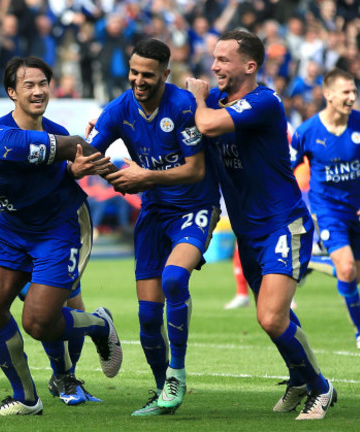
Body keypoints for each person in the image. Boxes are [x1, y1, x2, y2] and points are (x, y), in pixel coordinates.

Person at [0, 91, 122, 416]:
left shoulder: (8, 144)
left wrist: (118, 179)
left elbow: (72, 145)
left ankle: (99, 325)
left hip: (56, 226)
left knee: (39, 323)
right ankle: (26, 398)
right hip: (14, 227)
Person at [186, 29, 336, 420]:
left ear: (249, 66)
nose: (214, 66)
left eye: (223, 60)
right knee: (277, 316)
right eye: (214, 58)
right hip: (248, 231)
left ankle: (320, 388)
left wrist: (197, 97)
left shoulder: (264, 101)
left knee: (269, 317)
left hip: (283, 225)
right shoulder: (218, 103)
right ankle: (299, 379)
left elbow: (207, 125)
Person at [0, 56, 105, 406]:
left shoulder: (56, 134)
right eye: (28, 85)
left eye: (43, 84)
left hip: (60, 228)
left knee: (62, 306)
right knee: (16, 307)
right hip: (8, 232)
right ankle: (52, 383)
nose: (38, 92)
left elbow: (63, 177)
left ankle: (65, 377)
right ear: (12, 92)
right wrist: (4, 205)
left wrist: (77, 172)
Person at [85, 38, 221, 416]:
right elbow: (88, 155)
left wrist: (145, 176)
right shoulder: (118, 110)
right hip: (154, 214)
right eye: (133, 73)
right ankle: (164, 391)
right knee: (147, 318)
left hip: (195, 207)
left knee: (175, 279)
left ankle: (176, 374)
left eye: (147, 75)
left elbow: (196, 169)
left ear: (166, 74)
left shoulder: (181, 106)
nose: (138, 81)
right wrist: (105, 168)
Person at [291, 68, 360, 350]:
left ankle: (311, 263)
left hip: (358, 210)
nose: (352, 97)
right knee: (345, 270)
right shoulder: (307, 131)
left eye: (354, 91)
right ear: (328, 94)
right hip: (327, 210)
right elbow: (288, 169)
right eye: (346, 92)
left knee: (355, 274)